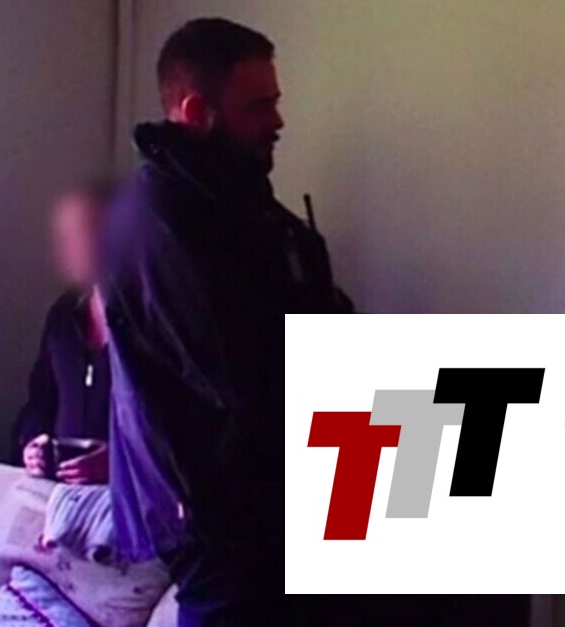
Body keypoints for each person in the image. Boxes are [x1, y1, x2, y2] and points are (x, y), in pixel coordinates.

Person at [103, 18, 352, 626]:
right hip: (222, 523)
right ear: (196, 111)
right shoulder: (161, 218)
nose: (278, 121)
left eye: (275, 101)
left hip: (273, 504)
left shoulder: (235, 202)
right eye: (258, 106)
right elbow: (241, 371)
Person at [13, 183, 114, 485]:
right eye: (65, 237)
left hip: (121, 495)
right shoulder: (64, 316)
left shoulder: (151, 323)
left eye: (83, 234)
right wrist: (32, 444)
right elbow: (39, 401)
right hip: (57, 489)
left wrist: (119, 463)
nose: (69, 248)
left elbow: (175, 430)